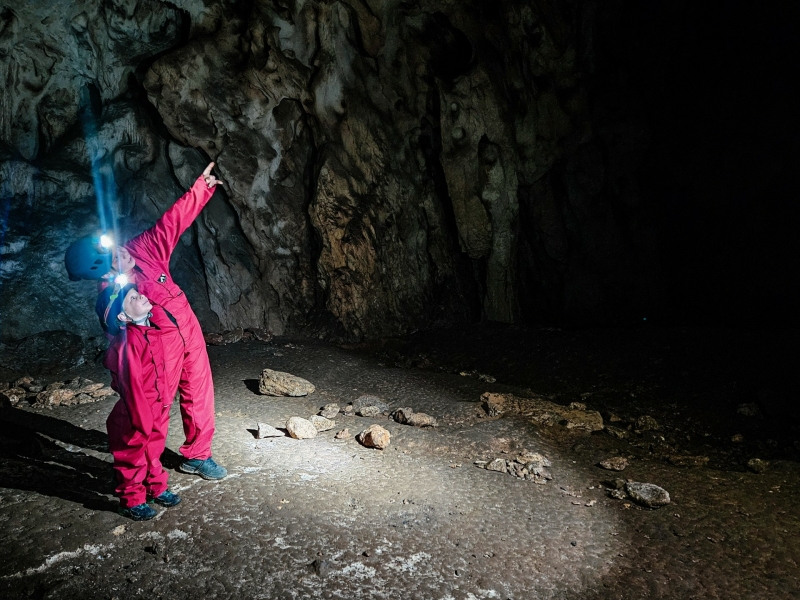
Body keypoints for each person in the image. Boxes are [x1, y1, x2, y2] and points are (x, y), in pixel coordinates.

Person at [66, 163, 227, 480]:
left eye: (116, 250)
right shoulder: (112, 294)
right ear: (104, 271)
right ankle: (144, 470)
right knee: (156, 408)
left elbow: (173, 222)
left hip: (187, 331)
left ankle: (197, 455)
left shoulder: (143, 249)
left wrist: (202, 188)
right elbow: (118, 334)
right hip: (160, 347)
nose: (121, 255)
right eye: (113, 259)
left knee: (199, 391)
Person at [97, 281, 181, 520]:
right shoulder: (127, 344)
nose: (140, 296)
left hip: (156, 407)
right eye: (132, 298)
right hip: (134, 414)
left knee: (153, 451)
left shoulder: (150, 332)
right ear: (122, 315)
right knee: (132, 455)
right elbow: (131, 385)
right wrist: (142, 418)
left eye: (138, 293)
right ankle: (131, 500)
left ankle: (155, 487)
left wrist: (164, 403)